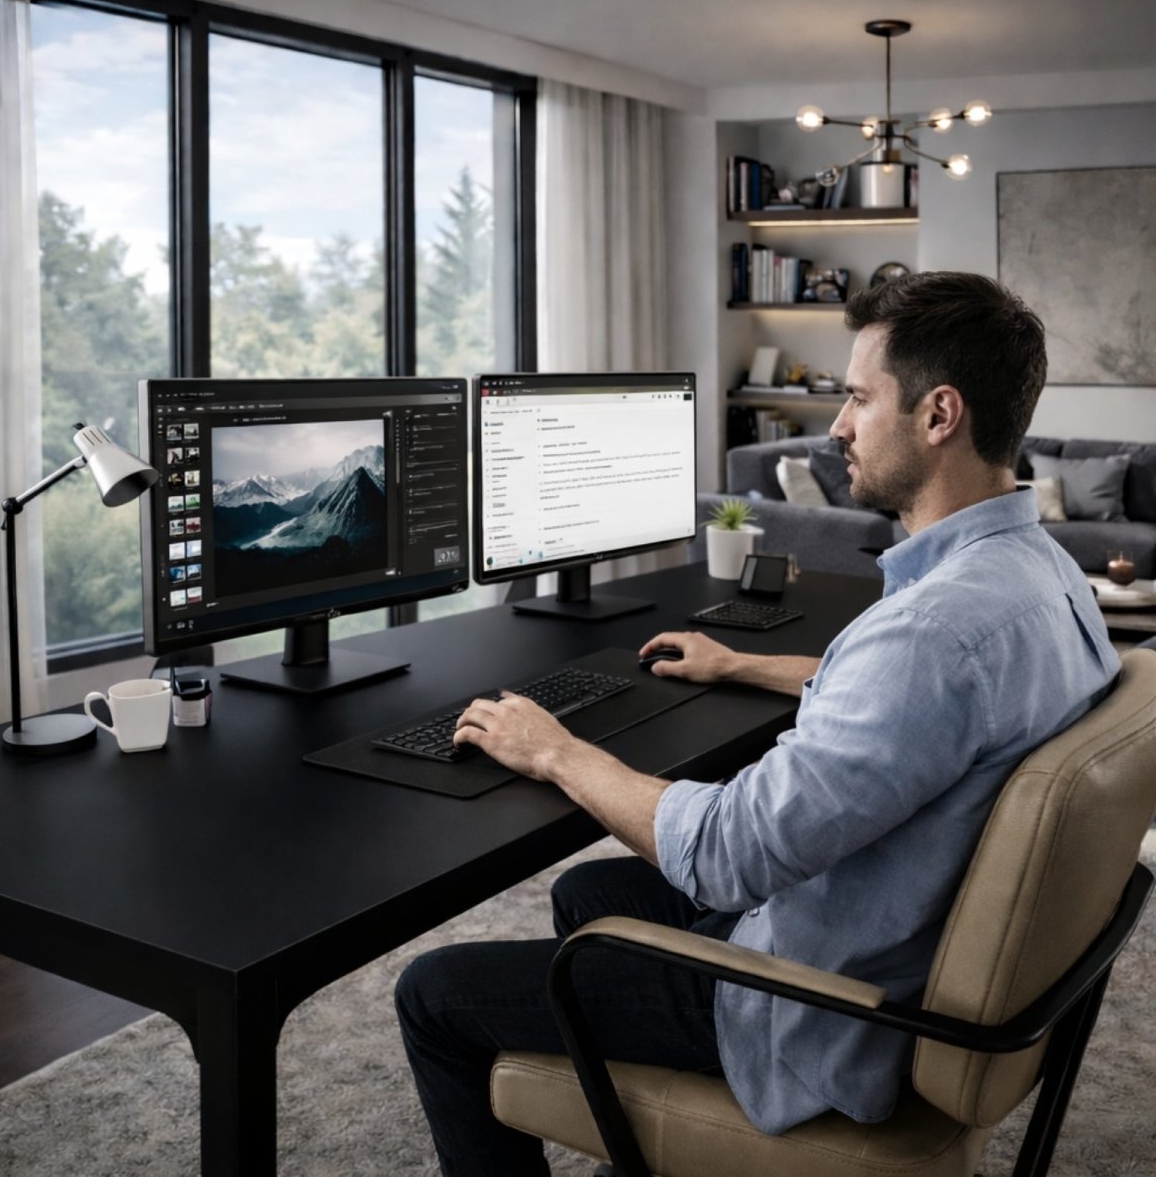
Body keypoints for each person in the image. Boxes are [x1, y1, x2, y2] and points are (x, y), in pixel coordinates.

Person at [394, 272, 1119, 1176]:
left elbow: (732, 853)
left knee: (433, 993)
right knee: (591, 898)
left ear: (939, 415)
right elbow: (928, 707)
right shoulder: (1042, 580)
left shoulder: (931, 633)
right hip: (907, 945)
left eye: (856, 398)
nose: (838, 427)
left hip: (829, 1011)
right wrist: (741, 664)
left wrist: (557, 752)